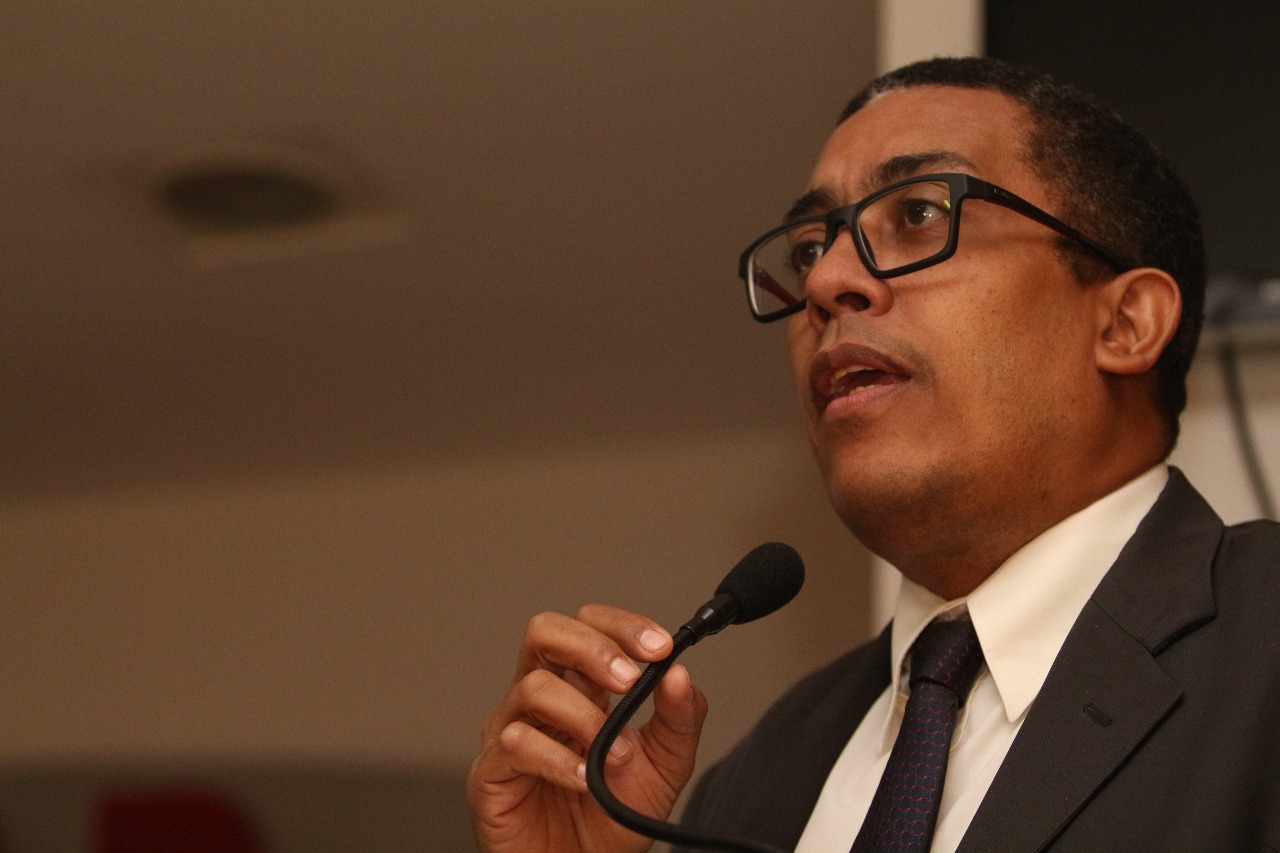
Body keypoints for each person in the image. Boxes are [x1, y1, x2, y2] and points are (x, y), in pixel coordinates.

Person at [466, 56, 1280, 852]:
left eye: (919, 212)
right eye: (808, 249)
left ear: (1126, 323)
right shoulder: (750, 783)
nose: (826, 282)